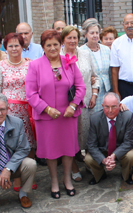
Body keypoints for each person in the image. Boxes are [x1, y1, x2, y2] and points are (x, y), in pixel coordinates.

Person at [26, 29, 86, 199]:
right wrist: (46, 109)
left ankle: (67, 179)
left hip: (67, 115)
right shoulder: (35, 65)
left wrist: (73, 105)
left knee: (68, 149)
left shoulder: (70, 63)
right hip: (46, 117)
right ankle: (54, 181)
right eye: (48, 45)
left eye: (55, 44)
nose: (52, 48)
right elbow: (30, 94)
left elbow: (81, 87)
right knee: (51, 150)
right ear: (43, 47)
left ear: (60, 45)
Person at [62, 25, 101, 179]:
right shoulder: (57, 56)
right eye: (69, 37)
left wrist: (95, 95)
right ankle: (73, 167)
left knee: (84, 135)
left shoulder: (85, 54)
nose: (72, 40)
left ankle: (88, 162)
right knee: (69, 137)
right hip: (65, 105)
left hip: (85, 103)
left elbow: (95, 76)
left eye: (75, 37)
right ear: (63, 39)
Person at [0, 33, 36, 152]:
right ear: (5, 48)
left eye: (17, 45)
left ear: (22, 47)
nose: (14, 48)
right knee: (11, 142)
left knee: (29, 141)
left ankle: (30, 166)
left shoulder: (31, 64)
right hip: (8, 112)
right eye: (10, 46)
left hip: (28, 111)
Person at [85, 93, 133, 185]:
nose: (110, 110)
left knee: (131, 156)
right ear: (102, 106)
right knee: (88, 159)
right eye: (107, 107)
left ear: (120, 105)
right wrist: (103, 160)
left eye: (114, 107)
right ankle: (100, 175)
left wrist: (113, 156)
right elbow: (91, 145)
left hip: (120, 149)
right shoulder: (95, 118)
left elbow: (129, 142)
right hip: (103, 149)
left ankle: (125, 175)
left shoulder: (127, 116)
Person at [80, 18, 112, 112]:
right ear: (85, 34)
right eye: (92, 33)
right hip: (91, 92)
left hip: (107, 90)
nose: (95, 35)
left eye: (97, 33)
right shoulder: (81, 51)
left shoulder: (106, 49)